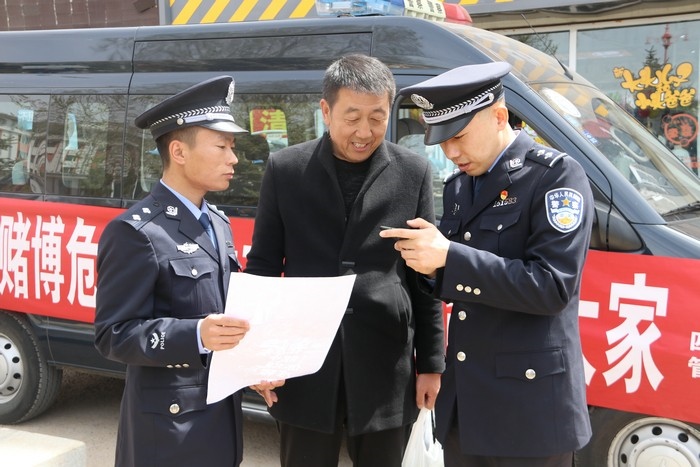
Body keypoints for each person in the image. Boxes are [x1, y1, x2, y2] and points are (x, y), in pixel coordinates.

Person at [381, 62, 593, 466]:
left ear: (498, 116)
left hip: (530, 410)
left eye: (459, 137)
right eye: (442, 142)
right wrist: (429, 267)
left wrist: (449, 257)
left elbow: (552, 287)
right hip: (467, 404)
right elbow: (459, 278)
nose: (451, 153)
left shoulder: (555, 176)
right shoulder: (460, 185)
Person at [245, 54, 446, 467]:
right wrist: (259, 357)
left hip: (386, 364)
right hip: (301, 364)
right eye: (352, 117)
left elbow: (423, 277)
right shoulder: (286, 169)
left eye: (377, 117)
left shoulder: (413, 172)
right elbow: (262, 267)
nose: (364, 131)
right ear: (326, 110)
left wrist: (431, 364)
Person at [94, 76, 279, 467]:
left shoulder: (218, 223)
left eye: (232, 147)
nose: (234, 158)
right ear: (178, 151)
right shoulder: (137, 232)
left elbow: (224, 321)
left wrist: (250, 369)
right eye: (222, 146)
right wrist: (195, 334)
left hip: (221, 421)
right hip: (168, 433)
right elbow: (114, 335)